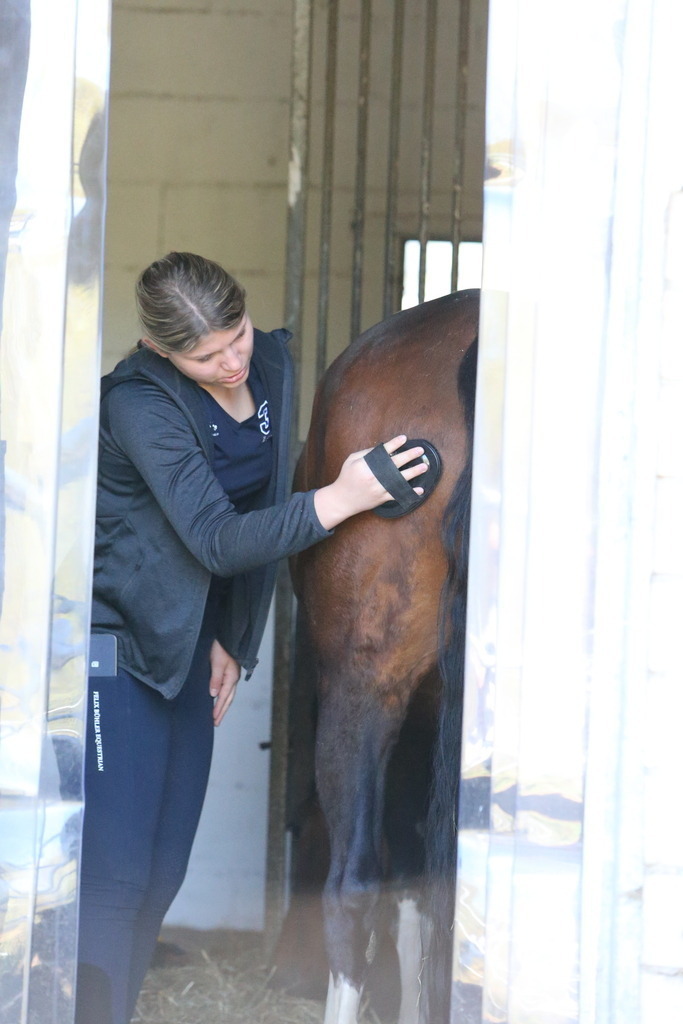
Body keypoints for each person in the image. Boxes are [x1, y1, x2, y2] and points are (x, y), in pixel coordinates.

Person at [76, 251, 427, 1024]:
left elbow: (264, 499)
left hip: (188, 646)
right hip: (118, 648)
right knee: (117, 876)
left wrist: (233, 636)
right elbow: (218, 539)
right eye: (206, 356)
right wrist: (343, 497)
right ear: (160, 351)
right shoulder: (137, 404)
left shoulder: (269, 360)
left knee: (163, 872)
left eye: (234, 335)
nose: (231, 361)